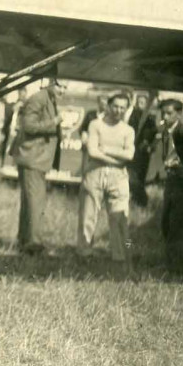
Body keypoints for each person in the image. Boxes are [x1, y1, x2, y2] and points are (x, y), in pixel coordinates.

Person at [9, 78, 65, 255]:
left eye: (65, 87)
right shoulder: (39, 98)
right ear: (48, 83)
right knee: (35, 202)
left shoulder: (47, 98)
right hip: (32, 158)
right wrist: (54, 122)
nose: (62, 90)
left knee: (30, 202)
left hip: (35, 158)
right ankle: (33, 245)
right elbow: (28, 126)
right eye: (59, 85)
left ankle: (25, 241)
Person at [77, 93, 135, 264]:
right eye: (115, 106)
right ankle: (84, 252)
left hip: (119, 177)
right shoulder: (96, 124)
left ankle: (121, 255)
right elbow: (92, 151)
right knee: (88, 215)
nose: (118, 111)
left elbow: (130, 155)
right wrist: (118, 159)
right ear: (108, 106)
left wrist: (106, 149)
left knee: (120, 217)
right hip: (95, 173)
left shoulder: (128, 130)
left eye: (123, 108)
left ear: (126, 109)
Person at [158, 99, 183, 280]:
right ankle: (174, 267)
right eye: (163, 113)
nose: (164, 117)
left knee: (179, 227)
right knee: (166, 224)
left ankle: (181, 272)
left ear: (179, 114)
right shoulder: (167, 131)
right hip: (172, 182)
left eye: (169, 113)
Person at [127, 93, 158, 207]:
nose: (141, 105)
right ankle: (140, 199)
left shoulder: (150, 118)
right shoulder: (132, 116)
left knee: (140, 176)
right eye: (139, 102)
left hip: (143, 153)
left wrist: (146, 141)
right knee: (132, 175)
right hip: (133, 150)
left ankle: (139, 200)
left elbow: (153, 132)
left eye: (143, 103)